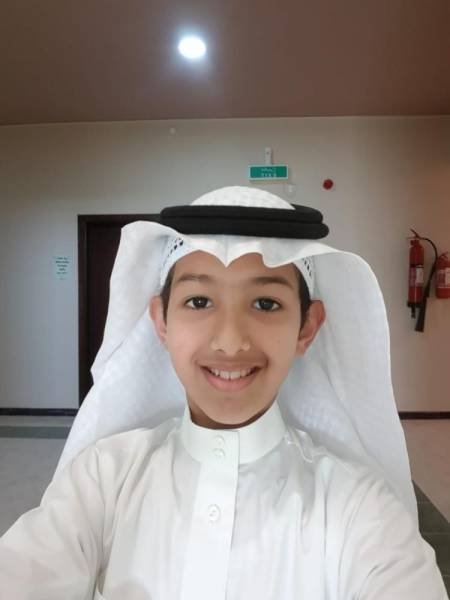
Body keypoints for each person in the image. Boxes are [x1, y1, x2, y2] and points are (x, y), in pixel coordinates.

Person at [0, 186, 447, 599]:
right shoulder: (102, 480)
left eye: (266, 303)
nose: (230, 342)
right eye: (199, 301)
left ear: (306, 328)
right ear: (161, 321)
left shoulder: (359, 508)